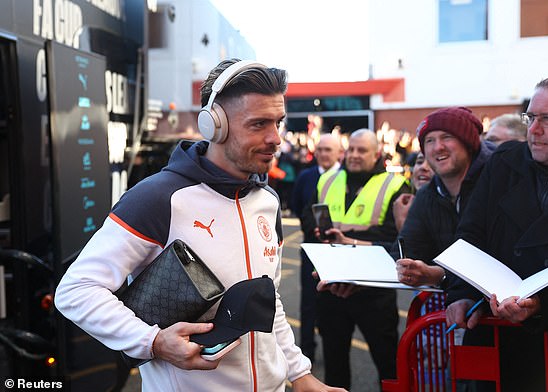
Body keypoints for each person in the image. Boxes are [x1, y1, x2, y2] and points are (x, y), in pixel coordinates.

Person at [55, 59, 345, 392]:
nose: (275, 138)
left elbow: (270, 301)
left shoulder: (268, 201)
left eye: (278, 122)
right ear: (214, 125)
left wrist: (299, 374)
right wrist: (154, 341)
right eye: (259, 124)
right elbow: (76, 291)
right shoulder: (159, 197)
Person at [445, 74, 548, 391]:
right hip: (498, 343)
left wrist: (544, 306)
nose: (534, 130)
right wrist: (461, 294)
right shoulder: (505, 162)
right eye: (531, 117)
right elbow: (470, 235)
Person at [301, 128, 410, 390]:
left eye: (362, 150)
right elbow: (307, 213)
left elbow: (394, 234)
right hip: (332, 288)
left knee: (388, 365)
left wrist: (345, 237)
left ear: (377, 154)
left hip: (373, 290)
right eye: (351, 149)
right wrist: (316, 229)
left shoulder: (395, 184)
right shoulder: (327, 180)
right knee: (335, 366)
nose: (354, 155)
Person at [395, 107, 495, 289]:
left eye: (447, 137)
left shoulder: (498, 181)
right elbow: (409, 251)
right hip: (452, 302)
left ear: (468, 143)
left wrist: (439, 275)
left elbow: (498, 257)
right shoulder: (427, 195)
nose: (438, 147)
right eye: (429, 140)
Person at [290, 132, 343, 363]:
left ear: (339, 153)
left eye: (328, 150)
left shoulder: (346, 177)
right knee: (308, 304)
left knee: (335, 304)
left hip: (339, 251)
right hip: (312, 249)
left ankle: (335, 348)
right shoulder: (306, 176)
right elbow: (297, 206)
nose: (323, 154)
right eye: (320, 150)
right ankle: (307, 353)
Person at [392, 151, 434, 232]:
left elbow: (411, 243)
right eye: (419, 162)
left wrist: (401, 221)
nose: (423, 167)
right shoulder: (406, 204)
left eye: (432, 163)